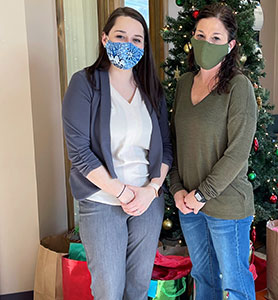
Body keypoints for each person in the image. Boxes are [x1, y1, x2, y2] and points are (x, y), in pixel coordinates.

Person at [62, 7, 172, 300]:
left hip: (147, 202)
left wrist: (150, 190)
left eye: (137, 39)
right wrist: (122, 193)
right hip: (102, 200)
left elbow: (166, 149)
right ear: (104, 38)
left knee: (137, 287)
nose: (128, 44)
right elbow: (80, 152)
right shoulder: (84, 84)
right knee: (108, 289)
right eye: (120, 36)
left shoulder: (152, 90)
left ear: (144, 46)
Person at [169, 4, 257, 300]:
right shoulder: (183, 85)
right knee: (202, 277)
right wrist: (179, 189)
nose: (206, 43)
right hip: (188, 205)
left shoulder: (238, 87)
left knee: (234, 282)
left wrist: (201, 194)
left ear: (230, 45)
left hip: (227, 206)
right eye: (200, 35)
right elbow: (174, 144)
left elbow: (237, 153)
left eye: (216, 38)